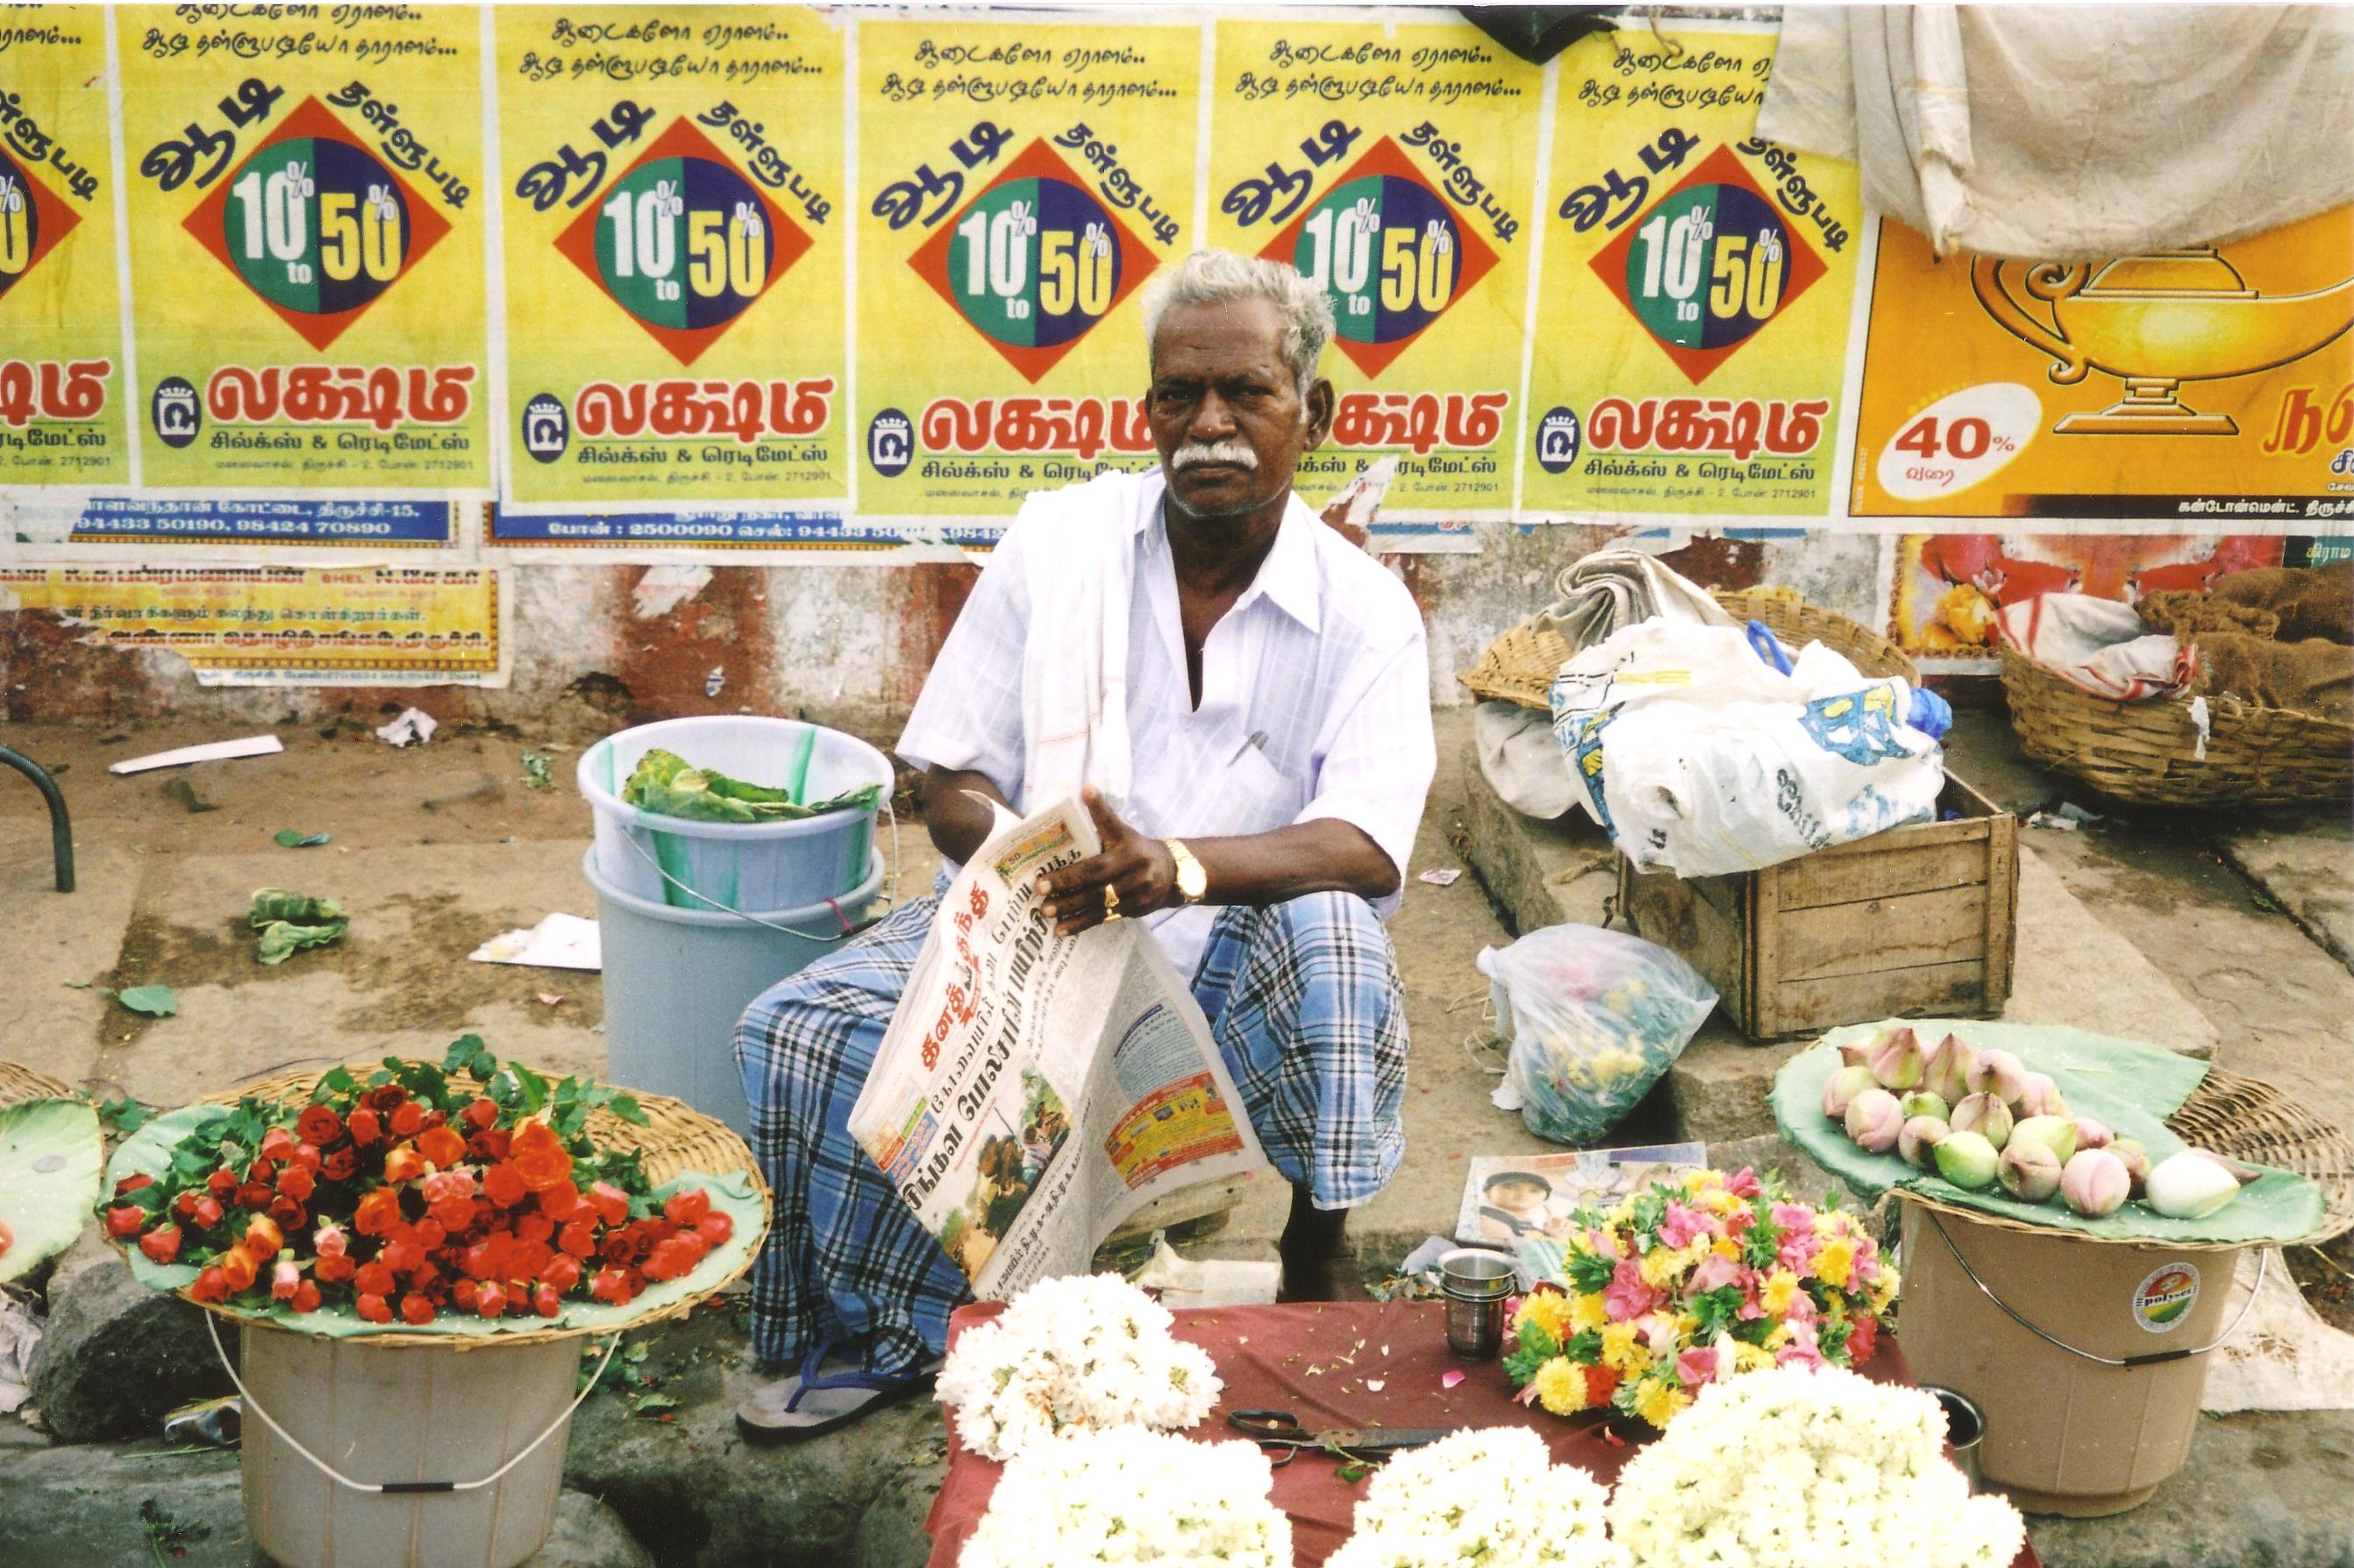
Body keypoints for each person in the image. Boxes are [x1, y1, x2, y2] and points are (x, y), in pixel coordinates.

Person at [731, 248, 1437, 1441]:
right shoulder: (1062, 545)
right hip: (1051, 926)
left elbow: (1368, 844)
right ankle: (882, 1326)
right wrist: (1029, 863)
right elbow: (948, 778)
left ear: (1312, 414)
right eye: (1179, 397)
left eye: (1247, 395)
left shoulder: (1364, 611)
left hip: (1226, 948)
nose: (1209, 425)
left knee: (1338, 939)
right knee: (793, 1027)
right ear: (1146, 411)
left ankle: (1317, 1257)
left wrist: (1177, 867)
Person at [1475, 1170, 1561, 1243]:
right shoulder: (1484, 1216)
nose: (1522, 1194)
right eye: (1509, 1187)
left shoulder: (1534, 1228)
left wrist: (1551, 1234)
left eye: (1534, 1191)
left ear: (1544, 1197)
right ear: (1488, 1192)